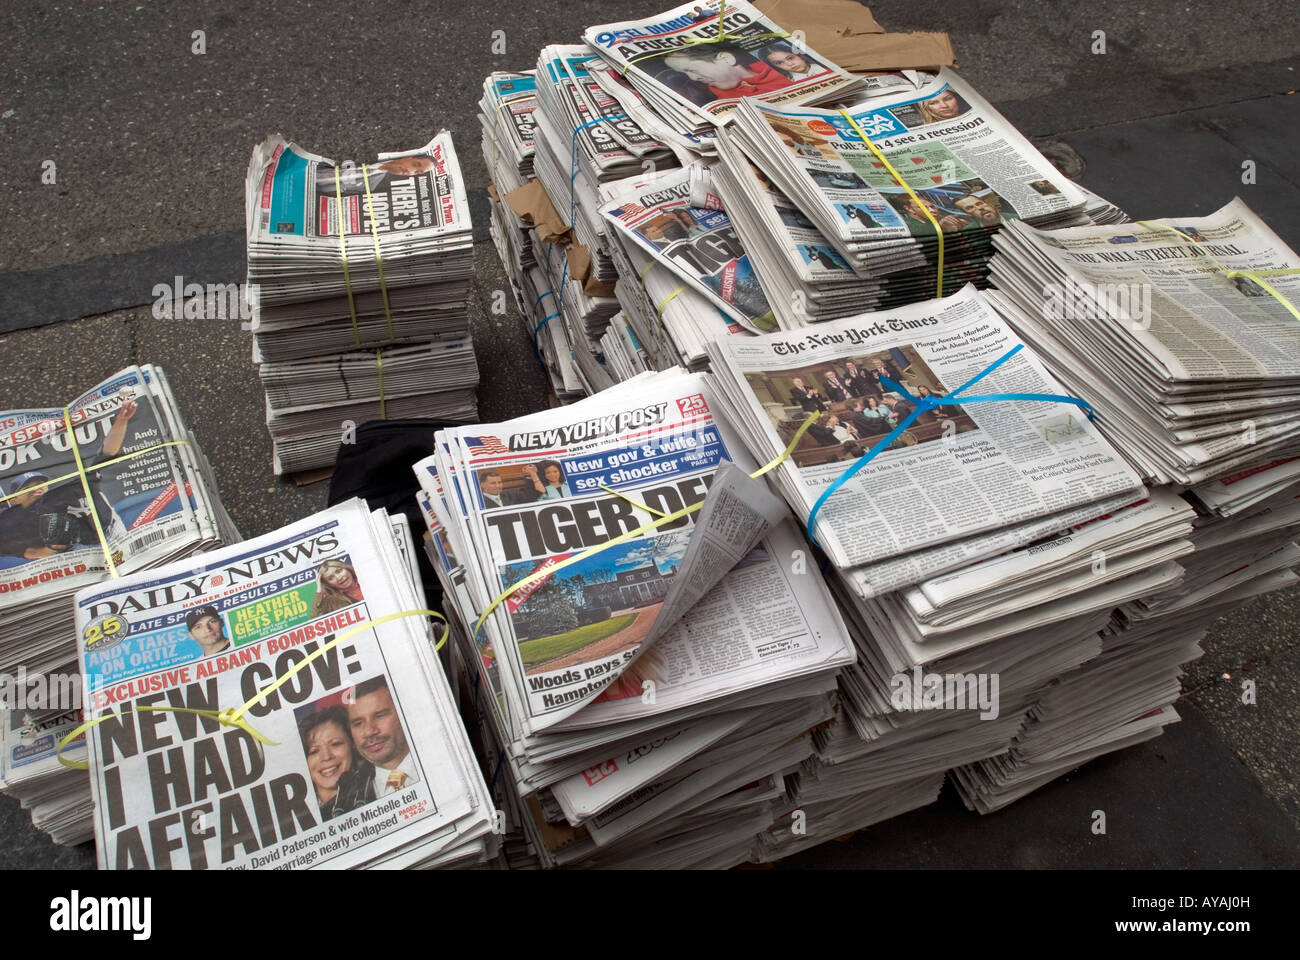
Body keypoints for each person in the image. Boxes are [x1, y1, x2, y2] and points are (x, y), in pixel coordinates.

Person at [299, 706, 374, 820]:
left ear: (353, 745)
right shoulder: (301, 815)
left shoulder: (378, 791)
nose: (326, 756)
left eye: (335, 744)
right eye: (314, 751)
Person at [348, 677, 419, 796]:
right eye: (358, 723)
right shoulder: (343, 803)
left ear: (404, 713)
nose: (369, 731)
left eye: (380, 716)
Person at [663, 45, 793, 100]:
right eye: (685, 74)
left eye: (691, 69)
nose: (693, 78)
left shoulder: (781, 69)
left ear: (726, 59)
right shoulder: (722, 99)